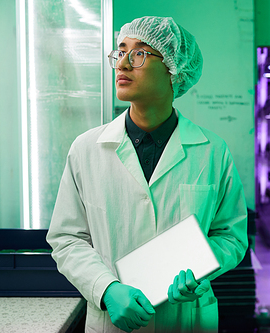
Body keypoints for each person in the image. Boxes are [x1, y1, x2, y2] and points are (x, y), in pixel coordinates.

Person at [47, 16, 248, 333]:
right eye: (120, 51)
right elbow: (67, 239)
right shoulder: (86, 150)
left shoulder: (212, 151)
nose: (122, 64)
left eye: (139, 53)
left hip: (187, 319)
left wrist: (199, 269)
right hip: (112, 323)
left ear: (174, 69)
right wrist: (106, 288)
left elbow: (230, 236)